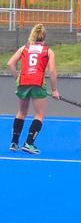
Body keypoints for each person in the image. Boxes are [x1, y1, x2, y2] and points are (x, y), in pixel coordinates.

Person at [6, 23, 60, 154]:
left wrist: (17, 78)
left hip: (23, 82)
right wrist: (54, 90)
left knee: (22, 112)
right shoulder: (48, 51)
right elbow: (52, 71)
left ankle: (14, 143)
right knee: (39, 114)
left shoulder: (24, 48)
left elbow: (10, 64)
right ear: (44, 38)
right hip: (37, 83)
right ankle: (29, 143)